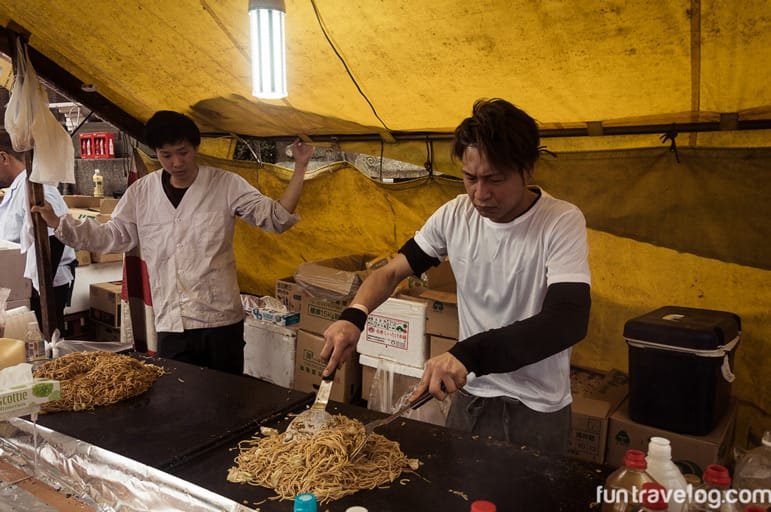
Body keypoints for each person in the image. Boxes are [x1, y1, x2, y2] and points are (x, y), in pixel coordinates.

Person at [321, 99, 591, 454]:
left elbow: (567, 320)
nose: (480, 194)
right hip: (471, 398)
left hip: (537, 409)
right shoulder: (454, 215)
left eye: (494, 179)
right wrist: (353, 316)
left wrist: (469, 353)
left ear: (528, 169)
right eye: (470, 178)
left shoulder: (559, 221)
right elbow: (390, 272)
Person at [33, 111, 314, 374]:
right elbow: (113, 237)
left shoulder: (226, 185)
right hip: (171, 321)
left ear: (196, 148)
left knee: (227, 401)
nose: (176, 163)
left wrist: (300, 166)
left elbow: (275, 218)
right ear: (156, 153)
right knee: (176, 399)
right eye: (166, 155)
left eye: (183, 152)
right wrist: (59, 223)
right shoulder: (141, 193)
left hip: (220, 321)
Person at [0, 130, 76, 330]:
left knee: (44, 342)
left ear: (3, 157)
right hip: (22, 284)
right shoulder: (17, 189)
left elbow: (55, 239)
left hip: (42, 286)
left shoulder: (39, 189)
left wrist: (38, 287)